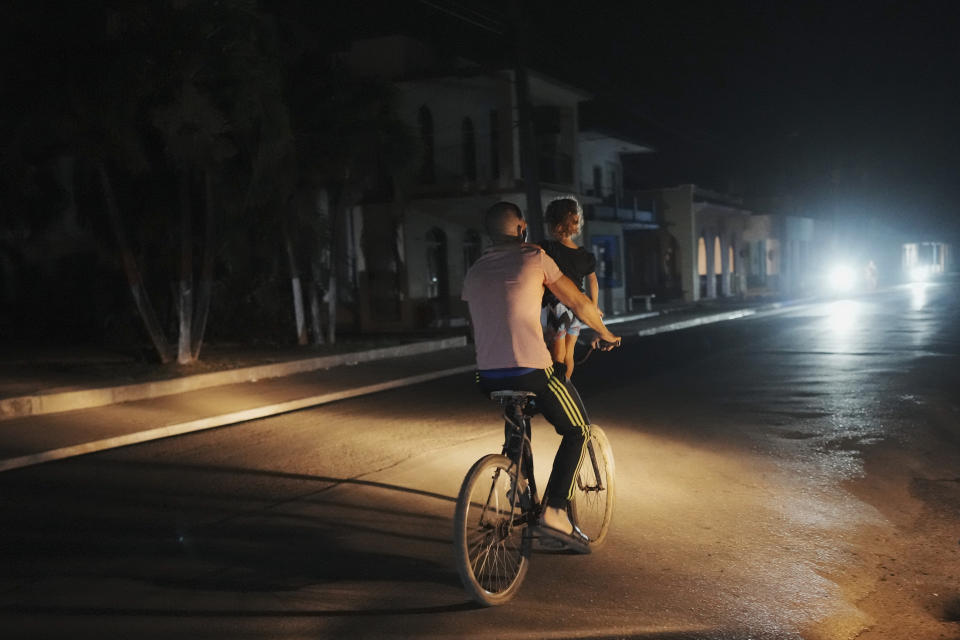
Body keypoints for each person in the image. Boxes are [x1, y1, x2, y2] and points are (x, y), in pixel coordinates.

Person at [461, 201, 620, 551]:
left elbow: (473, 327)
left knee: (516, 413)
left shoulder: (473, 271)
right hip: (532, 370)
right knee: (578, 429)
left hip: (486, 377)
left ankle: (518, 481)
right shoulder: (534, 258)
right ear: (520, 229)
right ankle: (555, 511)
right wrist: (605, 334)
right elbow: (578, 303)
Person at [540, 197, 600, 381]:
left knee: (556, 354)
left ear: (553, 224)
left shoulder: (547, 248)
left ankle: (557, 392)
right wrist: (593, 308)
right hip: (577, 309)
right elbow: (593, 283)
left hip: (557, 306)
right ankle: (566, 386)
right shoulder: (586, 256)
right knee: (569, 354)